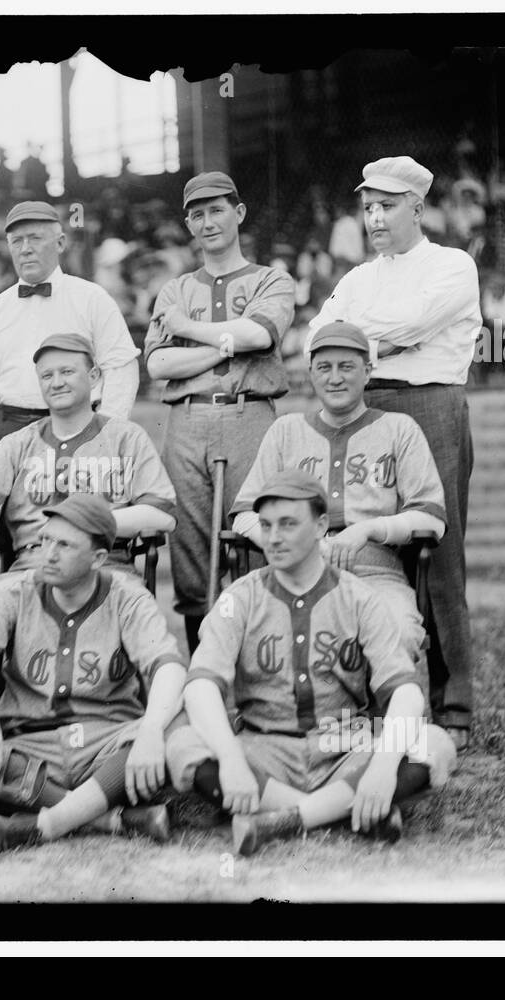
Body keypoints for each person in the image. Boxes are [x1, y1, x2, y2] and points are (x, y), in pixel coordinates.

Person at [165, 469, 457, 856]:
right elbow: (201, 687)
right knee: (183, 744)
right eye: (266, 525)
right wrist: (233, 759)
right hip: (264, 745)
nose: (273, 537)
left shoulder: (358, 596)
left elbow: (403, 691)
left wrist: (384, 766)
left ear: (321, 525)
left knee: (435, 744)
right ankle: (350, 810)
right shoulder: (240, 596)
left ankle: (282, 818)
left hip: (344, 746)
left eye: (288, 524)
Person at [307, 156, 482, 751]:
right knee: (377, 546)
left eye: (386, 205)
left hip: (432, 404)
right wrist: (368, 341)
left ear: (417, 207)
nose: (375, 217)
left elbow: (410, 326)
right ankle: (387, 695)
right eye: (368, 207)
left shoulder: (453, 265)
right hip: (369, 410)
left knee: (439, 547)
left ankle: (452, 704)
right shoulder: (358, 277)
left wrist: (360, 337)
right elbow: (315, 337)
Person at [0, 495, 188, 853]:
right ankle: (109, 818)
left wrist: (150, 730)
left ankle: (46, 823)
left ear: (98, 558)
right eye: (45, 541)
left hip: (108, 743)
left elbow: (168, 667)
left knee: (174, 725)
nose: (49, 554)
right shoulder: (12, 591)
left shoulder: (127, 597)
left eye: (65, 545)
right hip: (31, 747)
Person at [230, 321, 447, 670]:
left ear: (367, 371)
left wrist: (368, 530)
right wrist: (296, 544)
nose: (335, 378)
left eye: (346, 367)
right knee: (254, 633)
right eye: (324, 368)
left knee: (399, 633)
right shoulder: (286, 431)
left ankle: (383, 722)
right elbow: (244, 514)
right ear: (311, 374)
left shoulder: (399, 429)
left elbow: (432, 519)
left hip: (375, 572)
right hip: (292, 574)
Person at [143, 171, 297, 654]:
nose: (208, 222)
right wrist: (222, 349)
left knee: (254, 534)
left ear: (239, 213)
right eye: (197, 213)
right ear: (188, 223)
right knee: (190, 547)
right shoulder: (175, 289)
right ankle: (202, 670)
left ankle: (256, 665)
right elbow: (158, 362)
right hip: (187, 420)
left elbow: (260, 336)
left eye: (216, 210)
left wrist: (190, 329)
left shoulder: (270, 278)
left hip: (248, 414)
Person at [0, 332, 176, 600]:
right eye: (47, 376)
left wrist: (83, 526)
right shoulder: (19, 443)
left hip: (105, 567)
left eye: (67, 372)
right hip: (31, 569)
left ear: (93, 377)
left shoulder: (125, 437)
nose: (56, 383)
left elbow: (162, 514)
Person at [0, 201, 142, 480]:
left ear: (60, 243)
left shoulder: (92, 299)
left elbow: (121, 370)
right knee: (9, 523)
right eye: (16, 241)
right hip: (8, 436)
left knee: (78, 520)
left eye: (36, 238)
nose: (25, 248)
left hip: (79, 432)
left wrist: (104, 440)